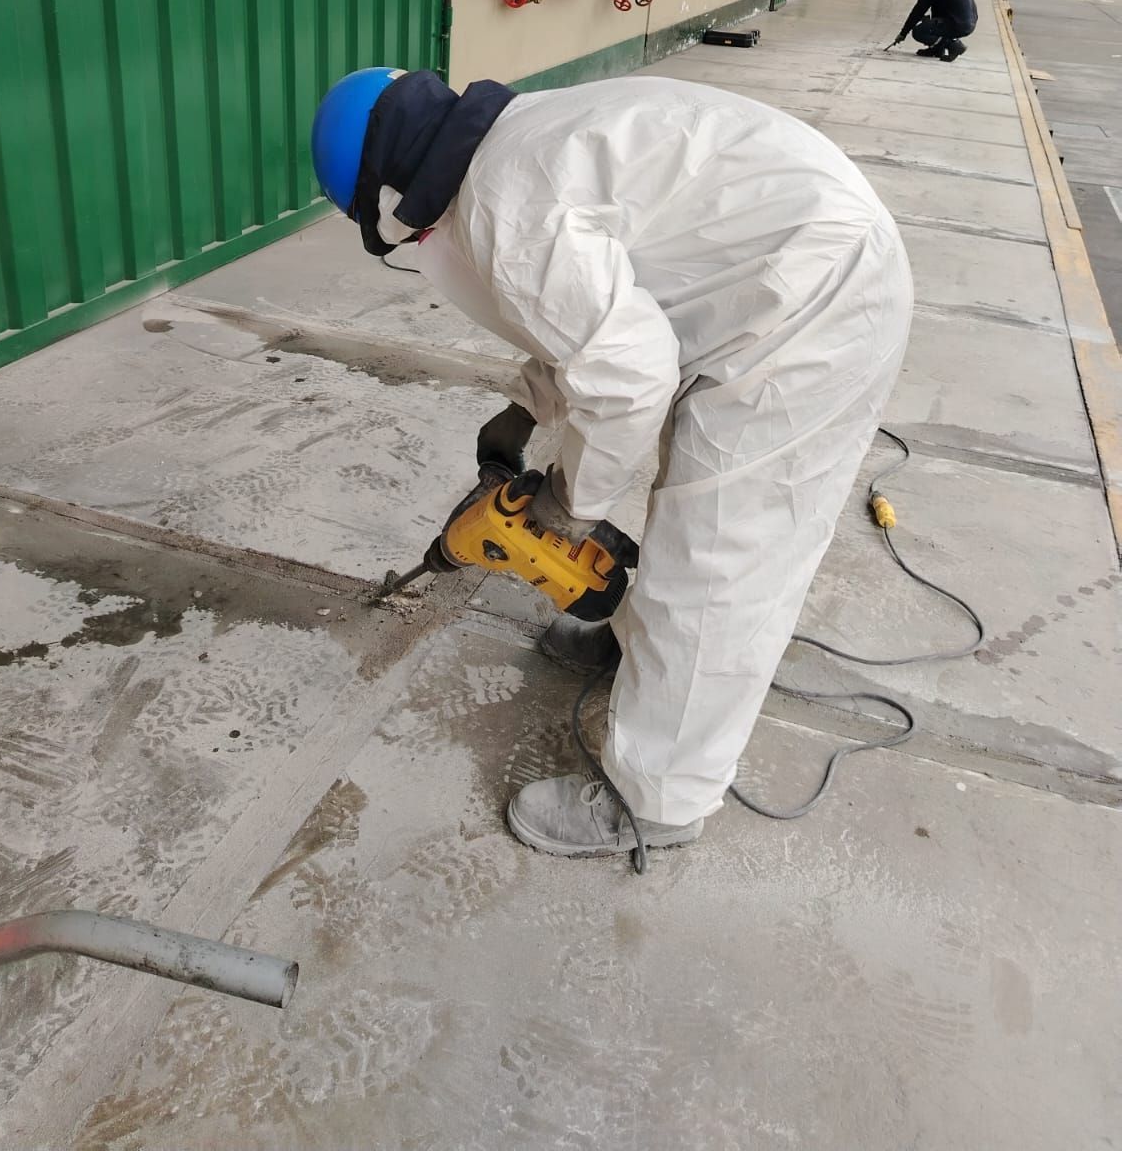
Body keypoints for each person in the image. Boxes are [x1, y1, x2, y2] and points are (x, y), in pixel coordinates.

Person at [311, 66, 913, 859]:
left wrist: (569, 507)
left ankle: (658, 800)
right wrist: (525, 408)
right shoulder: (515, 140)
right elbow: (592, 315)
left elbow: (628, 376)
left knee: (722, 552)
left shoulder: (502, 206)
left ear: (392, 194)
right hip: (791, 263)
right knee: (688, 512)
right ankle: (634, 642)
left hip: (810, 304)